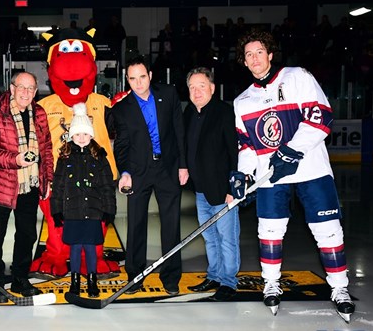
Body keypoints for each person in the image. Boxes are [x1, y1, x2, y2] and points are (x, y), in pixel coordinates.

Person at [231, 30, 355, 320]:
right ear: (244, 62)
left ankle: (339, 288)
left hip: (312, 169)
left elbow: (321, 116)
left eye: (259, 52)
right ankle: (271, 283)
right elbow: (247, 145)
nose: (254, 58)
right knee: (269, 232)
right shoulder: (242, 101)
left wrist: (291, 150)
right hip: (272, 177)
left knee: (328, 231)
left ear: (270, 54)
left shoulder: (297, 77)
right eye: (248, 55)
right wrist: (243, 175)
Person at [112, 56, 188, 295]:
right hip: (138, 172)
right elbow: (121, 146)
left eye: (142, 77)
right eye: (132, 78)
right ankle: (135, 277)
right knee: (135, 225)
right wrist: (124, 172)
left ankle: (171, 277)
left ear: (150, 75)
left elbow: (179, 132)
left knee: (171, 225)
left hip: (167, 168)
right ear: (127, 79)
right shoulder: (122, 109)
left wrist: (183, 165)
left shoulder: (169, 95)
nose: (138, 83)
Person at [0, 71, 54, 303]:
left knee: (27, 235)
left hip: (30, 184)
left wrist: (48, 178)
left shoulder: (39, 113)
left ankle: (21, 278)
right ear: (11, 89)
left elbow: (47, 148)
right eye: (21, 87)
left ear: (35, 91)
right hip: (2, 184)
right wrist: (16, 160)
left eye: (30, 88)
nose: (25, 92)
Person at [183, 67, 239, 301]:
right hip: (201, 189)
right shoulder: (189, 113)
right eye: (192, 87)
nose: (196, 91)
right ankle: (214, 275)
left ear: (212, 88)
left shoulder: (223, 112)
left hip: (221, 189)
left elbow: (233, 150)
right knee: (209, 237)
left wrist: (232, 187)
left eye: (201, 86)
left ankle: (228, 282)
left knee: (227, 237)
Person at [50, 103, 116, 298]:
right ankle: (75, 281)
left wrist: (109, 209)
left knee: (90, 247)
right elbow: (59, 185)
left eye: (85, 134)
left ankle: (92, 280)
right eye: (77, 134)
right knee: (76, 248)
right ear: (72, 136)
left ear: (91, 135)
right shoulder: (65, 157)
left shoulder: (99, 156)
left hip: (93, 210)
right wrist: (56, 210)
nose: (81, 138)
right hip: (72, 211)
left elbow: (107, 185)